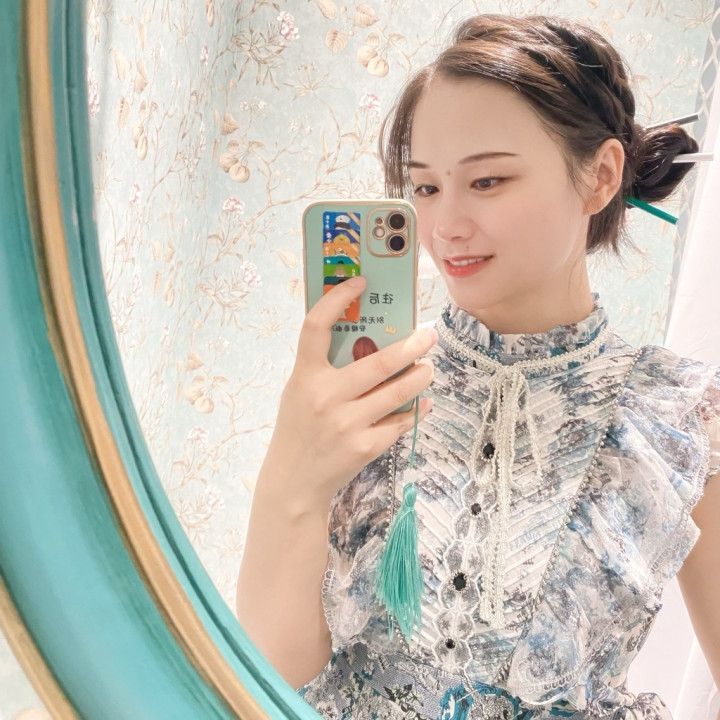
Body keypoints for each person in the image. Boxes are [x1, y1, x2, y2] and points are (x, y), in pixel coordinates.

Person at [236, 14, 720, 719]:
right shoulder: (369, 383)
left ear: (600, 176)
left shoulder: (679, 417)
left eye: (487, 180)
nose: (445, 227)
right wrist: (291, 473)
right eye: (426, 187)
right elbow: (271, 678)